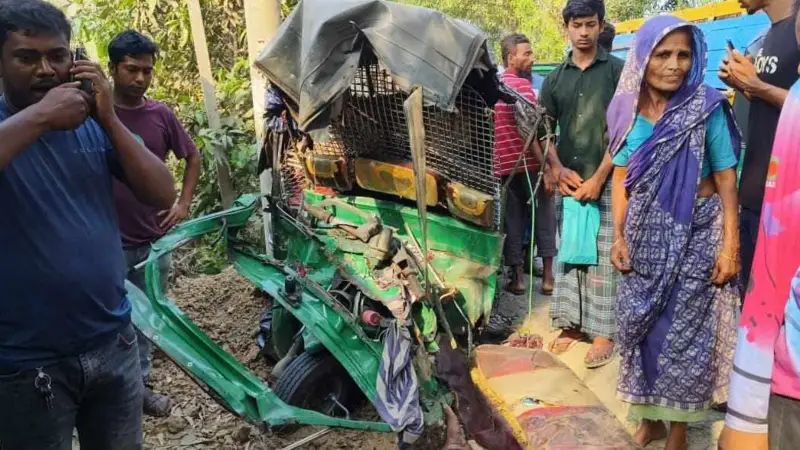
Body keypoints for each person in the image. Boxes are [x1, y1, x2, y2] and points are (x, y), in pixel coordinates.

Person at [0, 1, 176, 449]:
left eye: (57, 56)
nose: (45, 69)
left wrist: (110, 118)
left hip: (113, 346)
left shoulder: (93, 124)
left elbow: (162, 192)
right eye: (26, 57)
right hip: (26, 365)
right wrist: (42, 116)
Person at [607, 15, 742, 449]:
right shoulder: (626, 111)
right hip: (644, 237)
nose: (675, 64)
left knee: (686, 336)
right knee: (642, 329)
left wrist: (730, 247)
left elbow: (725, 177)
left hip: (699, 232)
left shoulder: (706, 106)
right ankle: (649, 419)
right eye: (663, 54)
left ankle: (679, 431)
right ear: (643, 60)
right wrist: (620, 236)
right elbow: (621, 178)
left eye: (683, 54)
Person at [108, 29, 202, 418]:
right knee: (109, 319)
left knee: (146, 318)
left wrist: (182, 204)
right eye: (132, 70)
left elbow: (192, 157)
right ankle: (107, 388)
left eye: (147, 71)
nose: (141, 79)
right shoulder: (94, 113)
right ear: (112, 68)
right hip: (106, 242)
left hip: (153, 239)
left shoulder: (160, 114)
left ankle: (140, 388)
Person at [719, 11, 800, 450]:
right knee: (761, 327)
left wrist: (759, 88)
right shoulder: (765, 37)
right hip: (759, 205)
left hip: (789, 218)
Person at [539, 0, 624, 368]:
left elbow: (628, 129)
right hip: (569, 182)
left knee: (606, 257)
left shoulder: (619, 72)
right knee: (571, 254)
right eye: (577, 25)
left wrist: (601, 175)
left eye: (591, 24)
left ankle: (604, 332)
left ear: (601, 25)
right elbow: (542, 129)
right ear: (567, 29)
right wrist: (556, 169)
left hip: (610, 179)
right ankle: (571, 326)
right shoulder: (556, 77)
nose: (584, 32)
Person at [719, 0, 800, 292]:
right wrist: (743, 85)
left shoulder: (797, 29)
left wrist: (758, 86)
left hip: (787, 203)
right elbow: (779, 108)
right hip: (755, 194)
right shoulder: (770, 34)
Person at [494, 33, 556, 296]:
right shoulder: (523, 87)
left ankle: (518, 280)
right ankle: (548, 279)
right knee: (545, 218)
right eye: (527, 54)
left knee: (514, 222)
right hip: (532, 166)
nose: (532, 58)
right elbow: (534, 132)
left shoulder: (494, 87)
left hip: (506, 168)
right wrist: (550, 168)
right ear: (511, 57)